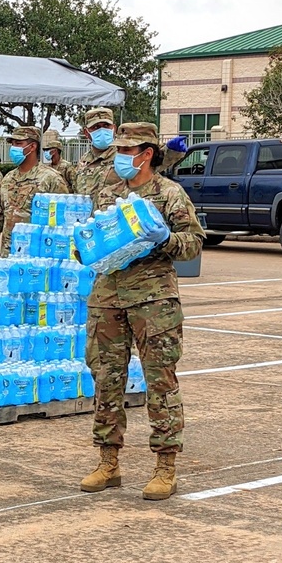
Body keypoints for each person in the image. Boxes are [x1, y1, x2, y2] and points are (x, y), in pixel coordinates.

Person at [79, 123, 204, 501]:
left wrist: (165, 239)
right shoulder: (108, 192)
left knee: (160, 381)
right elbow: (95, 237)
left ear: (146, 153)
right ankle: (108, 462)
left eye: (126, 150)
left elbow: (193, 243)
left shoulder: (169, 194)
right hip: (106, 296)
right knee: (105, 380)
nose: (119, 156)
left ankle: (165, 466)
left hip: (153, 299)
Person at [0, 126, 66, 258]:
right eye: (12, 144)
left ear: (32, 146)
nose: (13, 148)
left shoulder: (51, 179)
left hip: (38, 259)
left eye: (18, 143)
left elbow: (62, 222)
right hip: (9, 256)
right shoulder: (8, 179)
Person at [75, 107, 118, 196]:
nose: (102, 130)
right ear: (86, 133)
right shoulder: (84, 160)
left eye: (106, 126)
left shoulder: (123, 157)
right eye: (96, 127)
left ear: (114, 129)